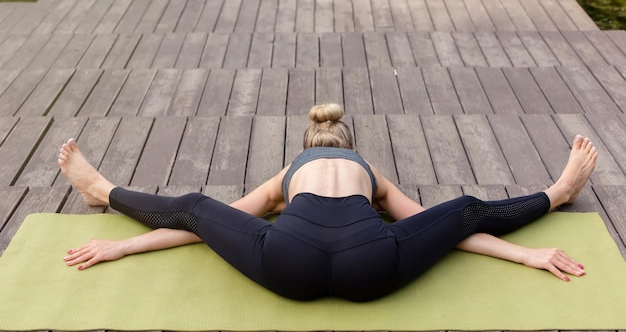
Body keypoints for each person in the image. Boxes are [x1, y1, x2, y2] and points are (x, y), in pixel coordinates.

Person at [59, 103, 597, 301]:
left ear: (306, 150)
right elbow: (454, 227)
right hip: (372, 265)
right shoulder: (370, 172)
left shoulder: (288, 173)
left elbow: (197, 223)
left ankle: (101, 191)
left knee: (197, 203)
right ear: (351, 149)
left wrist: (121, 248)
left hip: (288, 262)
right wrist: (528, 254)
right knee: (464, 206)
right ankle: (557, 194)